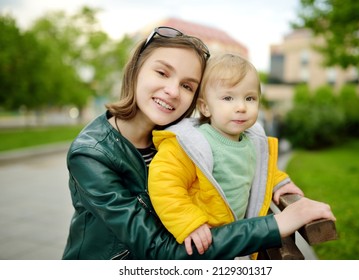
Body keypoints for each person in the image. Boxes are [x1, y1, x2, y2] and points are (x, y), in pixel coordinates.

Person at [62, 26, 335, 260]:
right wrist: (276, 225)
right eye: (162, 73)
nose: (172, 91)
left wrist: (277, 181)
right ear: (135, 70)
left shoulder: (186, 136)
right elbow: (159, 251)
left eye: (187, 86)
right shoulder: (91, 155)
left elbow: (239, 158)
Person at [148, 53, 304, 257]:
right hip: (201, 242)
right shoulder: (191, 144)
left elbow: (261, 170)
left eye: (250, 98)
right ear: (205, 107)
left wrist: (280, 183)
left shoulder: (251, 141)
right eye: (228, 98)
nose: (241, 107)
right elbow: (164, 184)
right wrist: (189, 223)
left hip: (235, 239)